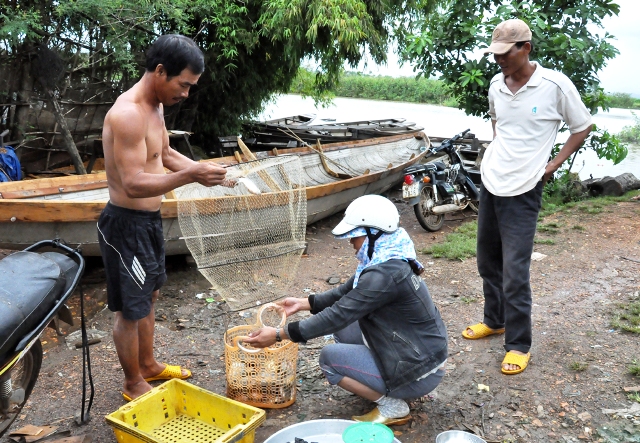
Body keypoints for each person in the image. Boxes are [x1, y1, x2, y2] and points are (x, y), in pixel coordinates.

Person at [98, 34, 228, 401]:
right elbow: (134, 183)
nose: (186, 93)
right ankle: (131, 382)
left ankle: (149, 365)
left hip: (149, 224)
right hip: (125, 226)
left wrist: (206, 172)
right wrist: (192, 176)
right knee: (130, 307)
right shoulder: (127, 114)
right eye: (183, 84)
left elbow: (166, 154)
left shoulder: (156, 107)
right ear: (160, 71)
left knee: (150, 295)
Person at [244, 195, 448, 425]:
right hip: (418, 350)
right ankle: (372, 377)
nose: (351, 243)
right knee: (345, 329)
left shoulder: (384, 275)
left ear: (374, 233)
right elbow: (346, 293)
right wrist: (304, 303)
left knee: (329, 359)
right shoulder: (388, 255)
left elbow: (339, 314)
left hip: (420, 370)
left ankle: (393, 405)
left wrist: (281, 335)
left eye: (355, 237)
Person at [462, 19, 593, 374]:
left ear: (526, 48)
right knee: (488, 261)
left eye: (507, 53)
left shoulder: (554, 86)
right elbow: (497, 124)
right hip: (492, 182)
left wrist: (551, 165)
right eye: (496, 54)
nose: (500, 60)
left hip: (525, 189)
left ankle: (518, 343)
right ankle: (496, 319)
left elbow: (582, 127)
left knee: (515, 271)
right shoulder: (495, 84)